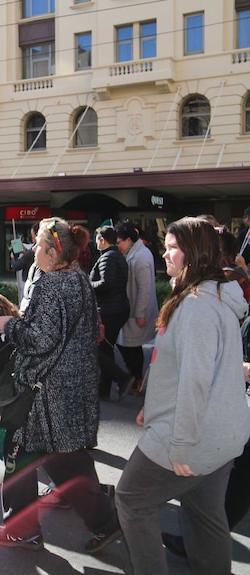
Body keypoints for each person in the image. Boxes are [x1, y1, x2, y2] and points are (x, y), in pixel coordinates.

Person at [115, 216, 250, 575]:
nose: (165, 253)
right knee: (205, 517)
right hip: (223, 437)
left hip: (194, 438)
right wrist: (153, 405)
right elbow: (187, 367)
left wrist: (181, 444)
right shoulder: (214, 297)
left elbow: (195, 381)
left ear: (194, 252)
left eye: (172, 247)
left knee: (130, 499)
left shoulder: (197, 306)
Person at [0, 217, 121, 553]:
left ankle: (23, 529)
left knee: (19, 456)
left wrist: (10, 326)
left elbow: (41, 340)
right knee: (64, 458)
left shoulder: (51, 285)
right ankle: (106, 522)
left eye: (36, 244)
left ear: (51, 252)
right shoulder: (77, 277)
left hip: (45, 393)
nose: (31, 249)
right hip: (69, 387)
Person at [89, 225, 134, 399]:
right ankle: (104, 389)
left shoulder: (108, 257)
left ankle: (122, 378)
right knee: (105, 350)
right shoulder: (117, 256)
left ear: (102, 240)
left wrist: (87, 284)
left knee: (96, 349)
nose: (95, 242)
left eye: (97, 239)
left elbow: (106, 283)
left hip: (109, 310)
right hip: (116, 308)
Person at [115, 220, 159, 395]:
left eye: (119, 242)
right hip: (133, 309)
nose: (118, 246)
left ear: (128, 239)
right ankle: (134, 378)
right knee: (129, 345)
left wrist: (140, 313)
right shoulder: (136, 253)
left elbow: (144, 288)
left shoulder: (140, 257)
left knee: (132, 346)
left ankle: (136, 379)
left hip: (137, 310)